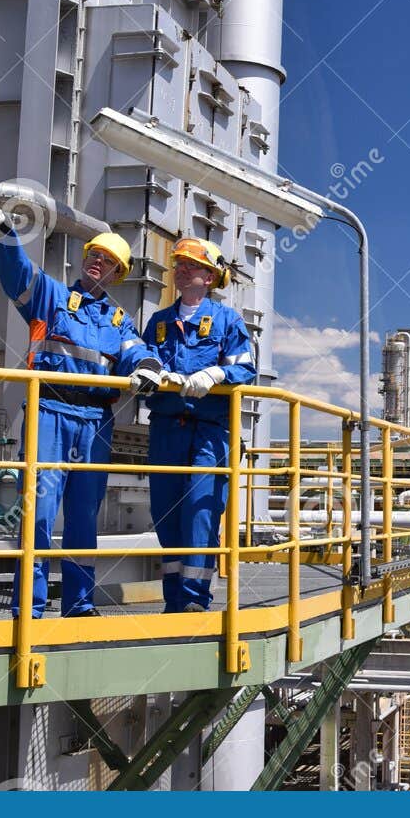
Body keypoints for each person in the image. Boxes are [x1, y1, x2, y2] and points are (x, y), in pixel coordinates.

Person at [0, 199, 163, 617]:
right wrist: (3, 234)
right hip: (49, 412)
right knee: (40, 512)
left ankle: (79, 604)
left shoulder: (118, 321)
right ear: (84, 260)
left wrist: (149, 367)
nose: (98, 262)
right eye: (94, 255)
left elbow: (137, 351)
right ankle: (29, 606)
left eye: (108, 261)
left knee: (84, 516)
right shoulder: (51, 297)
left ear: (118, 274)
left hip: (95, 422)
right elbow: (17, 273)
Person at [142, 237, 258, 612]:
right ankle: (173, 600)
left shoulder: (227, 320)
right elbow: (146, 360)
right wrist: (148, 371)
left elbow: (245, 367)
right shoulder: (159, 322)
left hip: (210, 431)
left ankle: (194, 599)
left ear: (209, 277)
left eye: (191, 265)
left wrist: (216, 373)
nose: (182, 270)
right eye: (179, 264)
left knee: (200, 512)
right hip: (166, 429)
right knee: (165, 513)